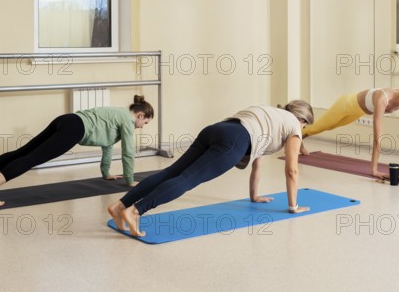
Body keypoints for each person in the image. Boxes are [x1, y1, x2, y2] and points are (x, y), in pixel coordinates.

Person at [107, 100, 314, 237]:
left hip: (215, 130)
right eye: (305, 126)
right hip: (234, 141)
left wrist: (254, 196)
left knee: (171, 172)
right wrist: (293, 207)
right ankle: (135, 211)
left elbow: (257, 162)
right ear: (302, 120)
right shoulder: (294, 126)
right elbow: (291, 170)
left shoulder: (272, 115)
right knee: (188, 179)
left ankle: (119, 206)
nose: (302, 130)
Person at [0, 95, 154, 207]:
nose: (142, 127)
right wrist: (130, 181)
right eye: (144, 123)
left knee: (23, 151)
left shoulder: (117, 114)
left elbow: (107, 146)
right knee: (33, 158)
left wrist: (106, 174)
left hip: (67, 119)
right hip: (75, 128)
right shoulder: (127, 122)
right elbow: (128, 152)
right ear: (140, 115)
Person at [300, 87, 399, 180]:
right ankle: (298, 136)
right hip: (347, 104)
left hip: (358, 111)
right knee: (322, 126)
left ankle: (301, 137)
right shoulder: (383, 98)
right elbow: (377, 137)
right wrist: (374, 170)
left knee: (331, 126)